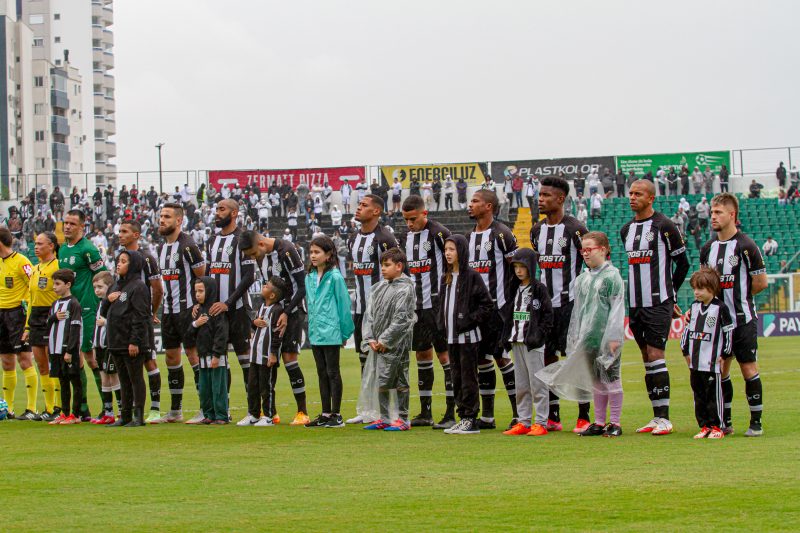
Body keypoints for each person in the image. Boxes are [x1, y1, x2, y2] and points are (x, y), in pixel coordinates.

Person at [537, 231, 626, 438]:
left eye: (589, 249)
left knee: (611, 378)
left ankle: (615, 422)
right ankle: (599, 421)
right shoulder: (582, 279)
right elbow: (578, 312)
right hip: (588, 338)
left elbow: (617, 309)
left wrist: (614, 337)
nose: (585, 254)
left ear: (603, 250)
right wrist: (575, 336)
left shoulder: (612, 277)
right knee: (595, 380)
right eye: (582, 250)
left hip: (606, 338)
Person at [621, 180, 689, 435]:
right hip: (636, 305)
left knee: (655, 354)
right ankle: (655, 417)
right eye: (630, 193)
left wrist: (670, 297)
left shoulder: (665, 226)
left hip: (658, 302)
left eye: (637, 194)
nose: (632, 197)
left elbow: (682, 264)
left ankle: (665, 418)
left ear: (650, 198)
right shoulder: (626, 229)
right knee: (645, 358)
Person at [700, 193, 767, 436]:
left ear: (732, 215)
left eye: (718, 212)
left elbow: (760, 282)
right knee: (721, 370)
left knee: (748, 369)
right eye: (712, 212)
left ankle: (756, 422)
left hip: (743, 320)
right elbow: (705, 284)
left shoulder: (746, 246)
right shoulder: (707, 249)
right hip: (719, 324)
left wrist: (740, 299)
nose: (713, 216)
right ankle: (725, 421)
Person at [530, 176, 591, 432]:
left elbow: (592, 265)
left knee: (575, 359)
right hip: (546, 307)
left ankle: (584, 416)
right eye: (539, 195)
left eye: (545, 196)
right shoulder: (536, 231)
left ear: (560, 198)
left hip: (571, 304)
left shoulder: (576, 229)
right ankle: (553, 416)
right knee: (547, 358)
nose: (540, 199)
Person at [240, 230, 310, 426]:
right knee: (267, 361)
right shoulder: (261, 259)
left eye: (253, 254)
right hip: (272, 313)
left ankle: (302, 412)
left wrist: (286, 312)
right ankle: (270, 413)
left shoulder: (286, 250)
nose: (254, 258)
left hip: (292, 312)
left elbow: (302, 286)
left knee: (289, 360)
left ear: (261, 244)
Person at [400, 195, 455, 429]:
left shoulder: (439, 233)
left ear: (425, 213)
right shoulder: (407, 236)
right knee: (422, 355)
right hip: (416, 306)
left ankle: (452, 412)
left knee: (445, 356)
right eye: (406, 220)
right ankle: (425, 412)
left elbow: (453, 263)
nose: (410, 224)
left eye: (413, 219)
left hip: (437, 305)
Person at [466, 189, 518, 429]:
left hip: (500, 310)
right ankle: (488, 416)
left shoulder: (502, 234)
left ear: (488, 206)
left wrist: (513, 307)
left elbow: (517, 271)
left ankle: (519, 414)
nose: (470, 205)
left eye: (475, 201)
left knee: (502, 358)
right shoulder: (469, 237)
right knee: (481, 361)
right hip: (478, 312)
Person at [347, 195, 399, 424]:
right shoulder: (353, 238)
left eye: (364, 206)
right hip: (360, 308)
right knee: (363, 357)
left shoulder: (385, 239)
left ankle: (385, 411)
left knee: (382, 360)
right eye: (359, 205)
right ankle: (367, 409)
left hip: (380, 310)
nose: (359, 209)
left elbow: (397, 272)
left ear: (376, 211)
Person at [154, 203, 206, 424]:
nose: (162, 220)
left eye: (167, 216)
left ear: (179, 221)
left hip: (186, 310)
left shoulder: (188, 246)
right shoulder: (161, 248)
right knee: (171, 358)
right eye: (161, 216)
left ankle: (205, 408)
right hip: (168, 310)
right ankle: (176, 411)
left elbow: (201, 276)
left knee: (193, 356)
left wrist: (197, 303)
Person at [440, 235, 494, 435]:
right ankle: (462, 415)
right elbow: (443, 306)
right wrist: (441, 325)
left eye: (452, 249)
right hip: (451, 337)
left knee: (468, 377)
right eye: (446, 249)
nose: (448, 253)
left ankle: (471, 417)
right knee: (456, 377)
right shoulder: (446, 277)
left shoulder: (472, 276)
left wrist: (468, 320)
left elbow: (487, 305)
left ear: (461, 251)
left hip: (468, 337)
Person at [58, 208, 108, 420]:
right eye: (65, 223)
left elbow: (103, 276)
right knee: (74, 358)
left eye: (72, 223)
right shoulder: (62, 249)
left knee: (90, 356)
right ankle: (83, 408)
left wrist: (101, 303)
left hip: (87, 308)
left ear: (82, 226)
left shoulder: (88, 249)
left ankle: (107, 407)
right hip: (70, 309)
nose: (67, 226)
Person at [204, 199, 256, 398]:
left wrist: (228, 302)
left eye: (222, 209)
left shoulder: (244, 238)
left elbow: (249, 276)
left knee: (245, 359)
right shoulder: (211, 241)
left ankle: (254, 410)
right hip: (216, 311)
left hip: (238, 309)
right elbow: (208, 275)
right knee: (220, 360)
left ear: (234, 213)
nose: (217, 213)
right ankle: (222, 408)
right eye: (216, 209)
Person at [361, 248, 417, 431]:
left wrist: (385, 340)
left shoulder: (406, 288)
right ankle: (384, 417)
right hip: (378, 344)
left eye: (387, 265)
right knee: (381, 380)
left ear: (399, 266)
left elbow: (402, 319)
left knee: (400, 380)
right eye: (382, 265)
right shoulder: (379, 287)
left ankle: (403, 418)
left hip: (397, 344)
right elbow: (369, 315)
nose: (383, 269)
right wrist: (370, 338)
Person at [501, 248, 553, 437]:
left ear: (530, 267)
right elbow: (508, 314)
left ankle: (540, 422)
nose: (519, 271)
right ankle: (523, 421)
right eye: (516, 267)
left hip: (533, 344)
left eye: (522, 267)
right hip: (516, 342)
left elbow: (548, 316)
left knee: (537, 383)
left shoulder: (539, 289)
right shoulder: (513, 287)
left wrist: (538, 336)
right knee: (521, 384)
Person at [304, 235, 355, 428]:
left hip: (332, 332)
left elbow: (343, 305)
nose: (313, 256)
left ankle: (337, 414)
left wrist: (343, 333)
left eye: (317, 252)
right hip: (316, 332)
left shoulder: (335, 277)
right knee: (321, 373)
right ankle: (325, 413)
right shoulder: (309, 277)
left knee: (333, 372)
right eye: (311, 252)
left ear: (328, 254)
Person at [116, 221, 163, 424]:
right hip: (125, 320)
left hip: (140, 316)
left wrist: (151, 313)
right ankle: (129, 411)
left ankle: (155, 408)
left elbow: (157, 288)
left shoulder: (146, 258)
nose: (120, 235)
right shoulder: (121, 257)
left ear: (136, 235)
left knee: (148, 360)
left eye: (125, 231)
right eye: (119, 231)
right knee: (129, 366)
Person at [680, 267, 733, 440]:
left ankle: (718, 426)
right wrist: (685, 350)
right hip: (695, 362)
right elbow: (687, 331)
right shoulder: (694, 307)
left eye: (700, 288)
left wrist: (725, 354)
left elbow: (728, 332)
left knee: (713, 396)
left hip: (712, 361)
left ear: (712, 288)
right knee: (699, 395)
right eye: (695, 288)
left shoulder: (720, 308)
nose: (696, 292)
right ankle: (704, 426)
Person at [106, 250, 151, 427]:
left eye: (123, 261)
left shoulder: (139, 286)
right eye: (118, 260)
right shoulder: (115, 285)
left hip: (131, 342)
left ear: (133, 265)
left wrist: (135, 341)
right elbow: (104, 312)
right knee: (124, 380)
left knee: (136, 378)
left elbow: (140, 316)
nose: (119, 264)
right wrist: (107, 301)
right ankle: (124, 415)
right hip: (116, 340)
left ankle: (138, 416)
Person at [237, 277, 286, 427]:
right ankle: (253, 414)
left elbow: (277, 334)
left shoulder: (277, 310)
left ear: (272, 295)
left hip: (267, 356)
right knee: (252, 385)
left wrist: (273, 353)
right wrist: (254, 323)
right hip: (255, 355)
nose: (263, 286)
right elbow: (255, 328)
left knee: (267, 387)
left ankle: (269, 416)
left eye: (267, 285)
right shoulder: (261, 307)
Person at [22, 232, 61, 421]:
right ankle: (47, 407)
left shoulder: (58, 266)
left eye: (40, 244)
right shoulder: (36, 268)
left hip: (51, 314)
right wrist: (28, 326)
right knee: (41, 363)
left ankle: (58, 407)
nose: (36, 247)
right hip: (36, 316)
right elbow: (30, 300)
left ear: (52, 246)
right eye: (35, 243)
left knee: (52, 362)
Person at [0, 227, 35, 420]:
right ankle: (8, 409)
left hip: (17, 314)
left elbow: (34, 284)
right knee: (6, 362)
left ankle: (30, 408)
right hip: (1, 314)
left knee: (24, 358)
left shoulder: (22, 262)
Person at [187, 276, 229, 425]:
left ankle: (221, 416)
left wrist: (217, 355)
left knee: (218, 388)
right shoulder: (197, 311)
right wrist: (195, 324)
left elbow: (221, 334)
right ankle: (209, 414)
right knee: (205, 389)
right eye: (195, 291)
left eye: (201, 291)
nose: (197, 294)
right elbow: (189, 335)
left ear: (210, 291)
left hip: (216, 357)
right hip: (203, 357)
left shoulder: (216, 310)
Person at [45, 269, 84, 425]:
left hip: (68, 350)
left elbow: (75, 328)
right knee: (62, 382)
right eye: (53, 283)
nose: (54, 287)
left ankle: (75, 414)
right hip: (55, 349)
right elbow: (47, 323)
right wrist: (53, 317)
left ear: (68, 285)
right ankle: (65, 412)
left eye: (57, 284)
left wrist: (69, 350)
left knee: (75, 381)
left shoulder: (74, 304)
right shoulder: (55, 304)